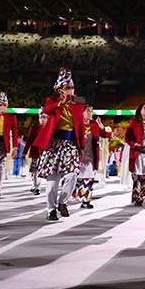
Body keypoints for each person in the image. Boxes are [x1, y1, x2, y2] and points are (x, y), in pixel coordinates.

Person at [35, 68, 87, 221]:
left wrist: (81, 147)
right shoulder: (52, 101)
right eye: (68, 87)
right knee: (53, 179)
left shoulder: (78, 103)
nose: (71, 90)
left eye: (72, 87)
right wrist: (60, 103)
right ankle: (51, 209)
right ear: (60, 90)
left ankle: (62, 202)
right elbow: (46, 110)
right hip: (54, 145)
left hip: (71, 144)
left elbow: (80, 125)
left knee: (72, 175)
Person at [75, 104, 111, 209]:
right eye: (87, 111)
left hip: (90, 155)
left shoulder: (94, 124)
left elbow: (103, 134)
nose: (90, 113)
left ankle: (86, 201)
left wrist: (112, 134)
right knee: (77, 178)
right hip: (77, 154)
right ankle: (77, 194)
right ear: (82, 113)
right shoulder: (76, 123)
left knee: (89, 178)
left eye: (91, 111)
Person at [125, 102, 145, 206]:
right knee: (137, 175)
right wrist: (135, 145)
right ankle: (136, 197)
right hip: (137, 152)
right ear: (140, 110)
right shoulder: (134, 123)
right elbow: (127, 138)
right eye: (144, 107)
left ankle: (142, 196)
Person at [22, 112, 48, 195]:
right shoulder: (34, 128)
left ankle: (36, 185)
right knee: (35, 170)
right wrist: (24, 152)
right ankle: (36, 186)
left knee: (40, 170)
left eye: (45, 117)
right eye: (41, 117)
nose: (43, 119)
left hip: (45, 152)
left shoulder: (50, 128)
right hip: (35, 152)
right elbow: (29, 140)